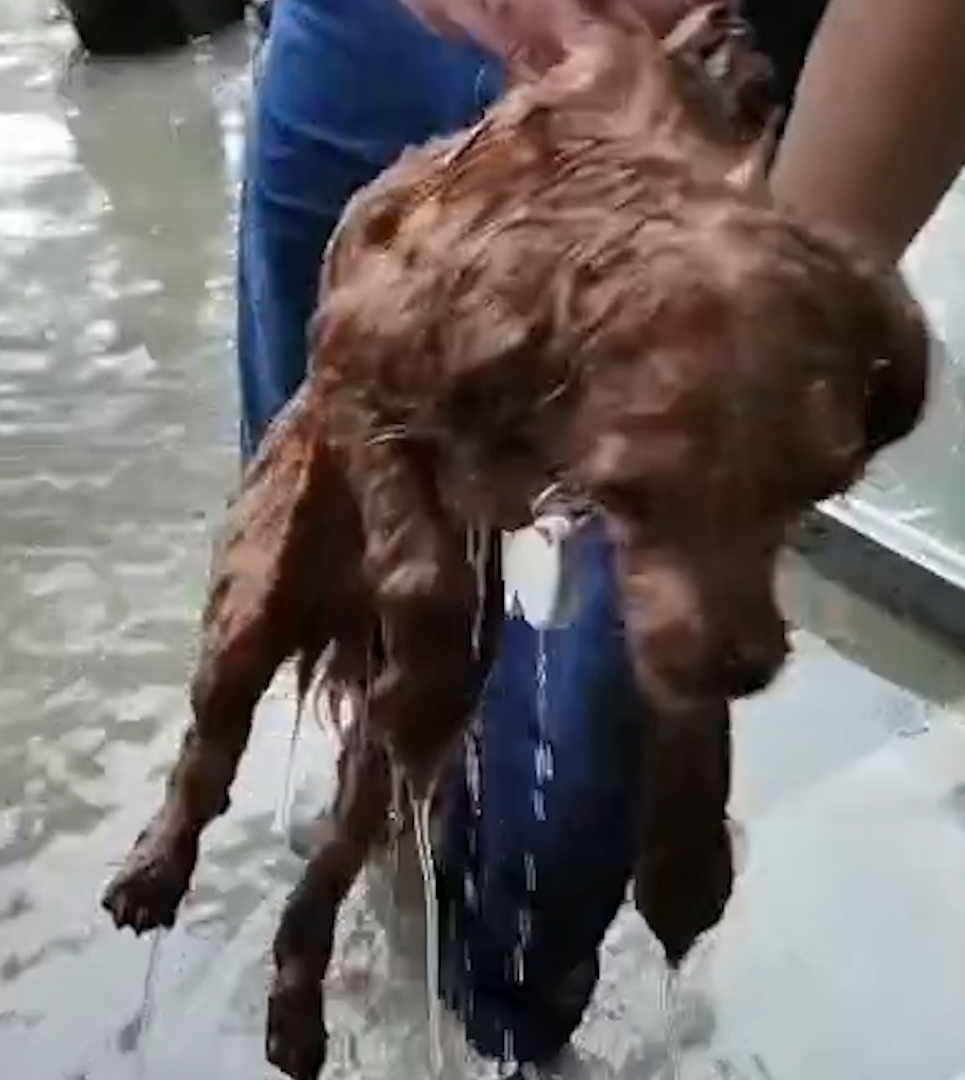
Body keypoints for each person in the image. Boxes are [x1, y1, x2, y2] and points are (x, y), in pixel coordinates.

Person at [238, 0, 965, 1065]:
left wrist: (749, 313)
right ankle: (388, 825)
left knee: (594, 746)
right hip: (367, 25)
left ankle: (515, 1017)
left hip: (771, 72)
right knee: (342, 578)